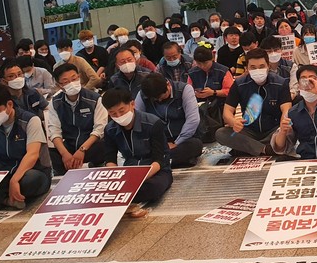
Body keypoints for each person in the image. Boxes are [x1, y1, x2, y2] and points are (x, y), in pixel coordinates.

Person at [0, 85, 52, 211]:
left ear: (9, 104)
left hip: (32, 171)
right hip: (3, 172)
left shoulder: (30, 120)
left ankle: (1, 198)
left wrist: (15, 180)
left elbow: (32, 154)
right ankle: (7, 201)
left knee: (30, 180)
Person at [100, 88, 173, 218]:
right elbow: (110, 158)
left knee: (153, 188)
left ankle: (129, 197)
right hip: (130, 171)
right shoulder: (110, 129)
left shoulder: (152, 123)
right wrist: (116, 177)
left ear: (132, 104)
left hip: (156, 171)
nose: (119, 116)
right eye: (113, 114)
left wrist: (140, 178)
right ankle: (128, 196)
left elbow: (159, 160)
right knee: (100, 189)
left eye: (122, 111)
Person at [217, 48, 291, 157]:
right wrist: (233, 122)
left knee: (290, 130)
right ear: (246, 68)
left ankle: (250, 148)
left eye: (261, 67)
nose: (258, 70)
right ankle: (265, 149)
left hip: (273, 130)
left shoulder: (281, 83)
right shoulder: (239, 84)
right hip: (248, 131)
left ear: (268, 66)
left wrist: (283, 127)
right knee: (221, 133)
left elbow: (286, 109)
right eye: (253, 67)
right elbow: (227, 112)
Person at [45, 63, 108, 175]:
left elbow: (100, 129)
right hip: (69, 146)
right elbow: (54, 132)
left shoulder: (95, 99)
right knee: (51, 152)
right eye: (66, 81)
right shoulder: (55, 103)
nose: (71, 83)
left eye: (74, 78)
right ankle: (81, 166)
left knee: (102, 146)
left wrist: (82, 150)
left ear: (79, 77)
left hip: (90, 145)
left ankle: (76, 167)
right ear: (59, 85)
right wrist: (65, 154)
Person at [136, 73, 203, 168]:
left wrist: (176, 143)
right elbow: (138, 119)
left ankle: (158, 162)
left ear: (168, 85)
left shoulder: (184, 89)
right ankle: (165, 161)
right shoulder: (143, 94)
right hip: (159, 140)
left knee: (195, 146)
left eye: (162, 96)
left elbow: (193, 120)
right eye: (156, 99)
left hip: (181, 139)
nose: (159, 100)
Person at [188, 45, 234, 140]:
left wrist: (213, 92)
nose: (202, 66)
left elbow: (230, 91)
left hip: (220, 105)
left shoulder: (223, 71)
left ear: (212, 59)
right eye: (199, 63)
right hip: (199, 105)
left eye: (205, 63)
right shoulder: (192, 73)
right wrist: (194, 94)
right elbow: (188, 90)